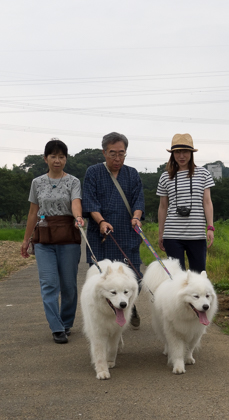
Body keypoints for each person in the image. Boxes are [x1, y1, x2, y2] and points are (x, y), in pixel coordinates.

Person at [20, 139, 85, 344]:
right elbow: (32, 213)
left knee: (68, 285)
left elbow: (76, 203)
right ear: (45, 158)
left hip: (68, 237)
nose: (57, 160)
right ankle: (56, 327)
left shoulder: (73, 181)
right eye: (53, 156)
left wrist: (79, 217)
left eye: (61, 156)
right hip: (44, 238)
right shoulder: (37, 182)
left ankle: (66, 322)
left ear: (66, 159)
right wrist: (26, 240)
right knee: (49, 284)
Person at [82, 132, 145, 328]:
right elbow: (89, 201)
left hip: (127, 233)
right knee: (102, 279)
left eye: (121, 153)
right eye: (112, 154)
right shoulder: (93, 172)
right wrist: (101, 221)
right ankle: (106, 315)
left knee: (136, 277)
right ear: (104, 152)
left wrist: (136, 217)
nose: (117, 158)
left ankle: (128, 306)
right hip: (101, 235)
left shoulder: (132, 173)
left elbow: (139, 200)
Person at [156, 133, 215, 274]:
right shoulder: (165, 176)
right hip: (172, 235)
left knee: (199, 275)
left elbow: (207, 202)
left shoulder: (203, 174)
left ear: (191, 153)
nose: (181, 156)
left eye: (185, 152)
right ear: (172, 154)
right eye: (177, 152)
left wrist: (210, 227)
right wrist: (161, 233)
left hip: (197, 234)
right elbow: (163, 207)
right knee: (176, 278)